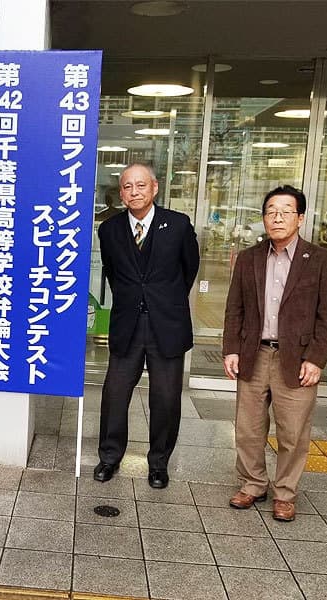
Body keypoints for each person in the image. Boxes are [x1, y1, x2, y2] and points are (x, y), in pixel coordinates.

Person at [223, 185, 327, 521]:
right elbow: (235, 308)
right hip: (254, 353)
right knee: (248, 428)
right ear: (264, 218)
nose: (277, 217)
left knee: (292, 432)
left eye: (286, 211)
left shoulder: (320, 260)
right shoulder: (249, 258)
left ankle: (285, 493)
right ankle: (253, 483)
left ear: (300, 218)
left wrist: (316, 358)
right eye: (271, 211)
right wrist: (231, 350)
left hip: (297, 358)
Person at [95, 162, 200, 487]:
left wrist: (163, 300)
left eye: (141, 185)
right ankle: (109, 458)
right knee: (114, 395)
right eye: (127, 186)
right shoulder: (109, 230)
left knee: (165, 399)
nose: (134, 191)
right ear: (121, 193)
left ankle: (158, 464)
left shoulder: (178, 225)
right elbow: (113, 274)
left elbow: (189, 269)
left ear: (154, 188)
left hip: (166, 325)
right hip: (127, 324)